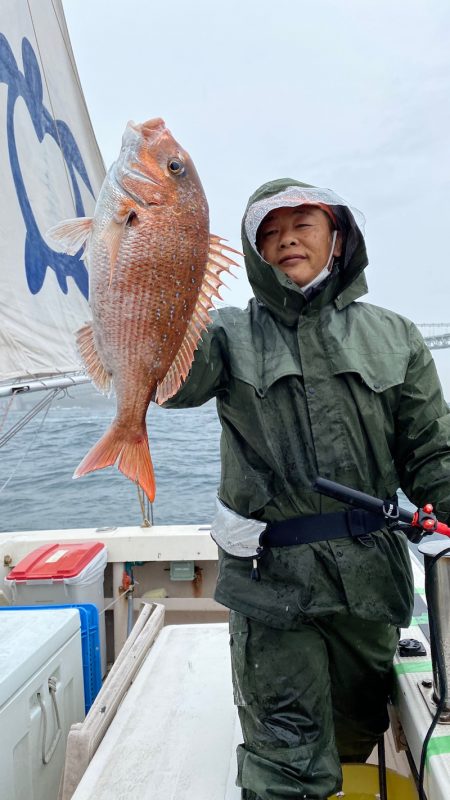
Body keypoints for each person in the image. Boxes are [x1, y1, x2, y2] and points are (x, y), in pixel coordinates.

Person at [163, 177, 450, 799]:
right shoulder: (225, 333)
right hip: (273, 584)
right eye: (268, 231)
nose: (286, 238)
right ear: (253, 253)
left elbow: (430, 450)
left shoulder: (396, 335)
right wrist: (158, 273)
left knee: (355, 735)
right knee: (288, 761)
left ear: (338, 236)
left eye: (303, 225)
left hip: (369, 585)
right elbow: (172, 379)